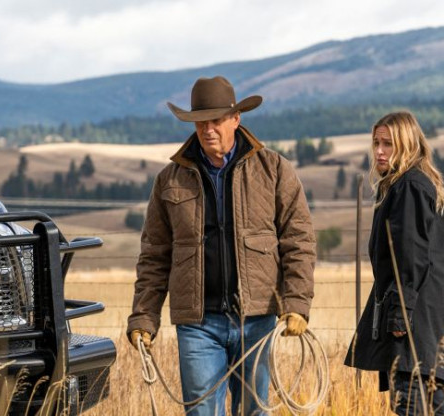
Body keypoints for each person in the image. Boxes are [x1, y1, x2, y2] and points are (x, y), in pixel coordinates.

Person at [127, 76, 316, 416]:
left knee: (254, 411)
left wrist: (297, 303)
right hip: (198, 324)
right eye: (200, 121)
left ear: (236, 119)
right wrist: (144, 316)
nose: (207, 129)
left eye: (215, 120)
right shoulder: (170, 179)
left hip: (256, 318)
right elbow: (155, 254)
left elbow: (298, 240)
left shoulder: (274, 170)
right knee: (201, 412)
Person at [345, 111, 444, 415]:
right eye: (376, 143)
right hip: (423, 315)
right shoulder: (411, 184)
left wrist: (399, 314)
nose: (380, 151)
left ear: (407, 145)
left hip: (412, 318)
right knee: (429, 400)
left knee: (409, 400)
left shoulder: (410, 187)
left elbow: (410, 256)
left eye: (388, 144)